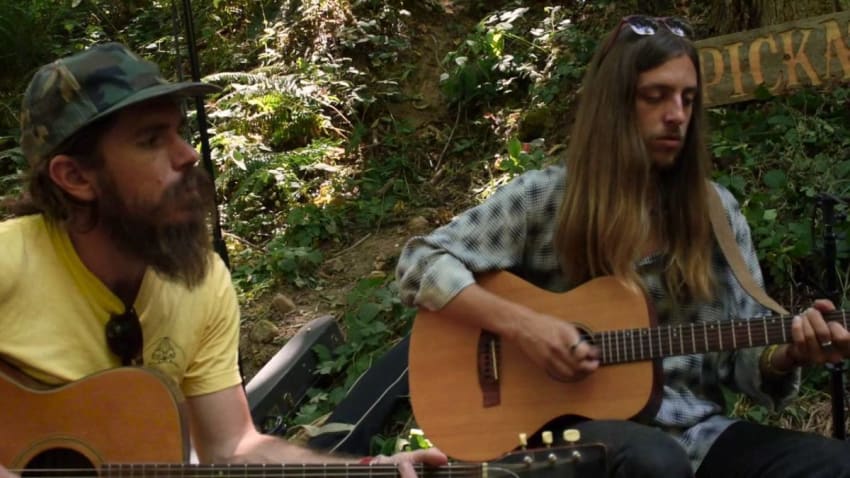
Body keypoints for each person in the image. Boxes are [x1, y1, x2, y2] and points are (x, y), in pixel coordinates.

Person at [395, 15, 850, 478]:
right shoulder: (546, 198)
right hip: (568, 440)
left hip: (699, 437)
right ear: (614, 106)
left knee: (833, 464)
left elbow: (740, 358)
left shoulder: (718, 213)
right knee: (653, 461)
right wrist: (524, 327)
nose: (676, 114)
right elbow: (419, 263)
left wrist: (789, 353)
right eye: (656, 96)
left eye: (688, 99)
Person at [0, 42, 446, 476]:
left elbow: (231, 446)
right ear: (75, 176)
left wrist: (369, 469)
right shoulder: (10, 260)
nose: (189, 154)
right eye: (151, 139)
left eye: (180, 131)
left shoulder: (201, 281)